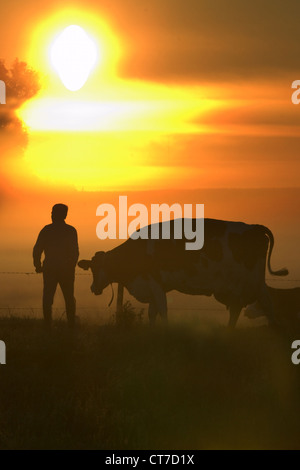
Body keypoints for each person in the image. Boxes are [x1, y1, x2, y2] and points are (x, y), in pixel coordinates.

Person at [33, 204, 79, 328]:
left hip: (50, 268)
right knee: (69, 298)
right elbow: (75, 252)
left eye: (53, 212)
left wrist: (38, 265)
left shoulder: (47, 230)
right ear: (65, 215)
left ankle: (48, 325)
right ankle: (71, 326)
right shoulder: (70, 230)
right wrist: (71, 266)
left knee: (47, 298)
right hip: (66, 270)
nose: (51, 214)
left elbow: (37, 249)